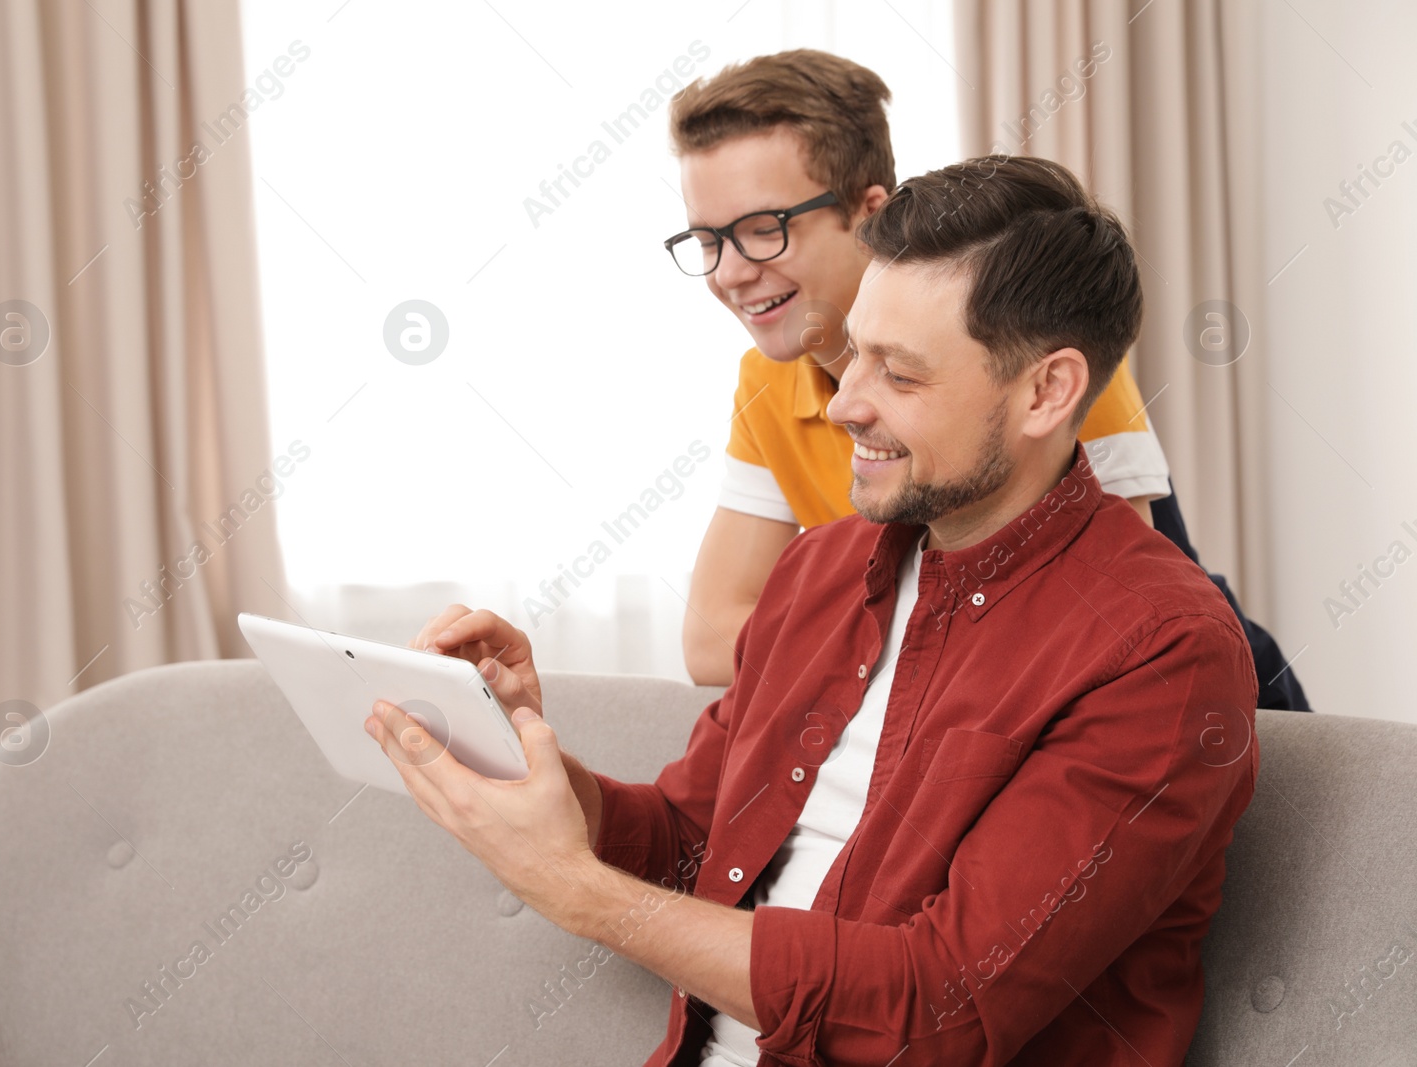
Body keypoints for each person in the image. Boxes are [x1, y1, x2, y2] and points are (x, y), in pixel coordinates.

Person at [366, 156, 1258, 1065]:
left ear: (1046, 391)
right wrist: (534, 765)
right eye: (854, 354)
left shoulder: (1165, 652)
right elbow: (692, 844)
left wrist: (582, 894)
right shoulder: (821, 570)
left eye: (900, 376)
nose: (847, 404)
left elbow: (940, 1008)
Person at [667, 50, 1308, 711]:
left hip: (1198, 703)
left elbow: (1108, 626)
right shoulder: (768, 381)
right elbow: (712, 640)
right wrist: (912, 637)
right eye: (708, 240)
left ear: (869, 213)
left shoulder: (1032, 340)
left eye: (762, 230)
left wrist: (852, 639)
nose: (729, 273)